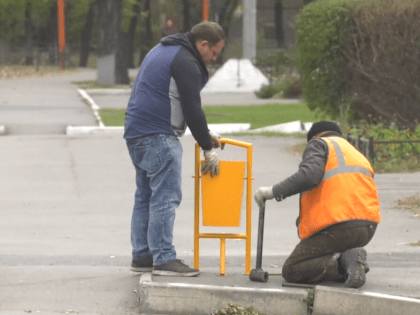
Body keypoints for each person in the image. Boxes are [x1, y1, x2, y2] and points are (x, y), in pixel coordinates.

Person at [124, 21, 226, 277]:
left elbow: (172, 100)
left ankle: (142, 256)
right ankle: (164, 259)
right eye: (213, 52)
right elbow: (192, 106)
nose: (213, 58)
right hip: (159, 136)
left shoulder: (164, 49)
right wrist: (207, 148)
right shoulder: (186, 60)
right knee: (165, 197)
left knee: (145, 196)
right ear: (203, 44)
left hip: (137, 133)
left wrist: (206, 132)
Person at [254, 121, 381, 288]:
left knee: (292, 270)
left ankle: (342, 263)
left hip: (339, 226)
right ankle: (351, 260)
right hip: (366, 227)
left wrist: (272, 191)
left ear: (314, 137)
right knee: (328, 247)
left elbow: (309, 175)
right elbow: (341, 191)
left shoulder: (319, 144)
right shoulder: (355, 152)